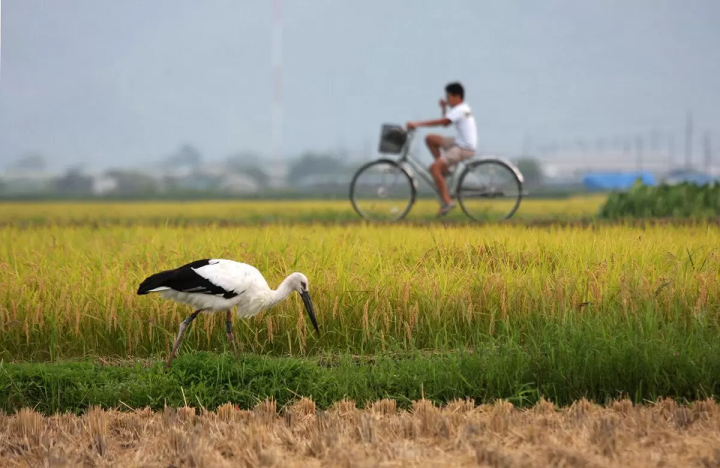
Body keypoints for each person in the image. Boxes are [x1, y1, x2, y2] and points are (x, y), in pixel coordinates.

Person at [407, 82, 477, 217]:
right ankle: (444, 170)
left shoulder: (460, 110)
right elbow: (446, 123)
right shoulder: (462, 108)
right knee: (430, 139)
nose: (447, 99)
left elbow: (442, 122)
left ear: (457, 96)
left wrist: (417, 124)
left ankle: (447, 202)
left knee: (434, 169)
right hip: (459, 143)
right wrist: (444, 109)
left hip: (462, 148)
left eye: (449, 97)